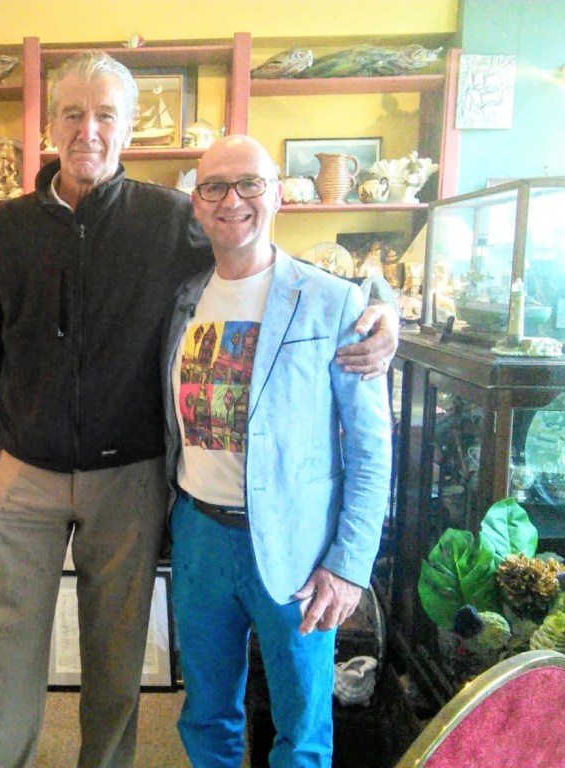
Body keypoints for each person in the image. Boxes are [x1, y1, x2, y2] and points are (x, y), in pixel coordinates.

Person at [0, 52, 396, 768]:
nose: (89, 130)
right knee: (9, 651)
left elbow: (262, 254)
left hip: (131, 477)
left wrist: (383, 311)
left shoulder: (171, 218)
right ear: (51, 124)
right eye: (73, 113)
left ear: (129, 128)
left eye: (106, 115)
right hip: (24, 471)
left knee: (117, 654)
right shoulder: (4, 228)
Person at [161, 135, 393, 767]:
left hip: (298, 542)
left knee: (302, 725)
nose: (232, 200)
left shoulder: (334, 301)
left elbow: (371, 449)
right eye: (215, 187)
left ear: (279, 195)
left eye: (250, 184)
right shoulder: (182, 299)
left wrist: (349, 565)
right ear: (197, 202)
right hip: (200, 534)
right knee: (206, 711)